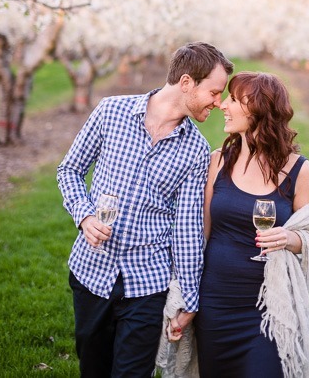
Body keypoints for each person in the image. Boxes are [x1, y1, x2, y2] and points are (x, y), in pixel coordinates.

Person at [57, 42, 234, 378]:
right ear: (186, 83)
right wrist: (84, 214)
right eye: (213, 92)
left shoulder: (196, 150)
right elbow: (70, 170)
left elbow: (186, 230)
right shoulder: (111, 111)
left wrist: (188, 298)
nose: (218, 102)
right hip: (91, 271)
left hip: (147, 284)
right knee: (92, 368)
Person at [195, 71, 309, 378]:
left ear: (259, 109)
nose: (222, 106)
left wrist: (289, 238)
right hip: (215, 303)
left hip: (268, 309)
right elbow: (202, 232)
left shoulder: (298, 170)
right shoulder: (219, 161)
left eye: (233, 99)